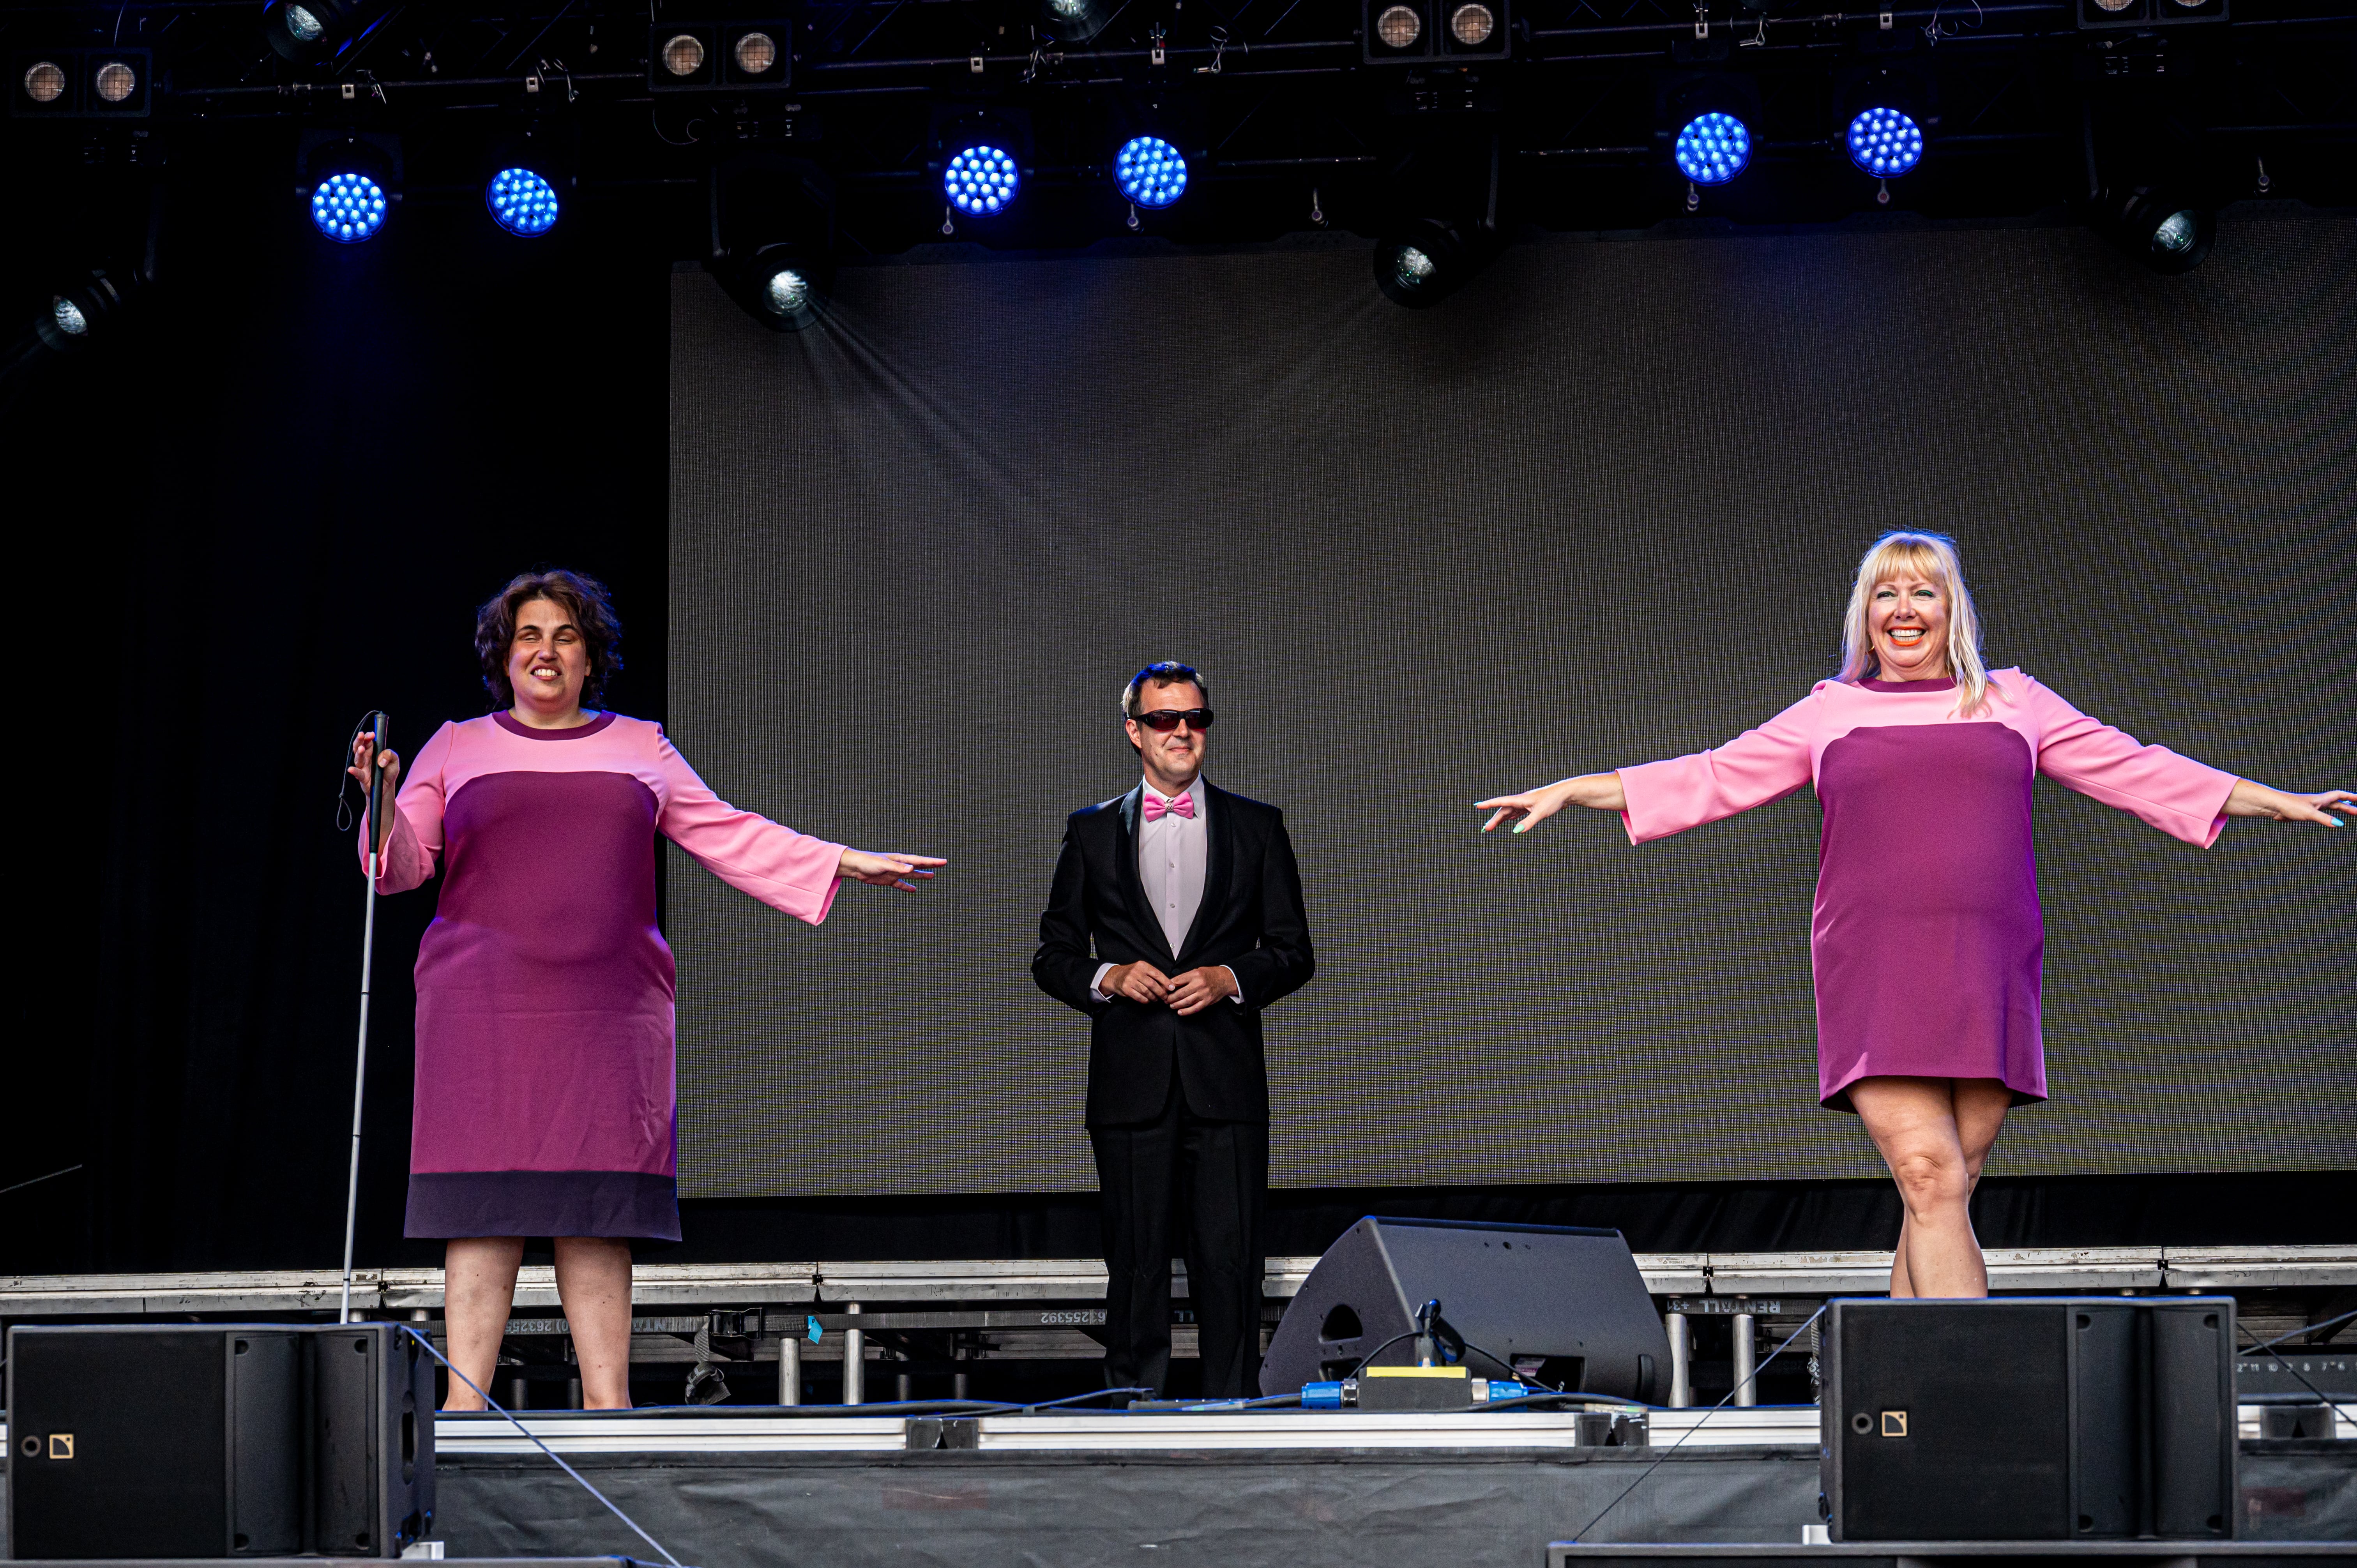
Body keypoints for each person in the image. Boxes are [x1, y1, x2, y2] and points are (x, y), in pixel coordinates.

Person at [1475, 531, 2350, 1300]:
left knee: (1949, 1184)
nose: (1904, 607)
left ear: (1950, 609)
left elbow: (2135, 768)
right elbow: (1712, 773)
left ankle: (1903, 1397)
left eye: (1922, 590)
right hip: (1877, 968)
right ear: (1866, 615)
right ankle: (1980, 1396)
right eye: (1885, 592)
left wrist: (2269, 800)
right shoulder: (1831, 711)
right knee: (1931, 1173)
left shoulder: (2016, 700)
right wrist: (1580, 788)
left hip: (1987, 964)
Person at [351, 569, 944, 1410]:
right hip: (481, 1016)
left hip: (606, 1014)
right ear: (503, 655)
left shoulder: (640, 745)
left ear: (592, 656)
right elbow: (397, 865)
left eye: (565, 635)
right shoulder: (455, 744)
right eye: (530, 634)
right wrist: (377, 796)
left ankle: (608, 1414)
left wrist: (843, 858)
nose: (547, 650)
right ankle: (466, 1411)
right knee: (483, 1207)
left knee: (594, 1206)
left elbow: (727, 830)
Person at [1032, 661, 1316, 1397]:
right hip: (1131, 1086)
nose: (1182, 731)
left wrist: (1232, 979)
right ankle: (1134, 1406)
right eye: (1164, 719)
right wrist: (1109, 977)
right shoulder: (1091, 832)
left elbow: (1293, 952)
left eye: (1195, 718)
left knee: (1232, 1260)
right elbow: (1053, 956)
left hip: (1225, 1082)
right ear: (1135, 731)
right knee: (1134, 1260)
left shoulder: (1258, 827)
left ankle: (1233, 1408)